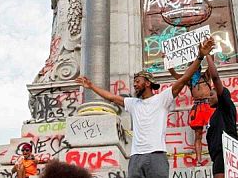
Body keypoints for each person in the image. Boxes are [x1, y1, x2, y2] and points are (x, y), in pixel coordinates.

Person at [76, 38, 215, 178]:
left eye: (137, 81)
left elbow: (184, 78)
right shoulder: (133, 103)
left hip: (156, 156)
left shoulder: (162, 99)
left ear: (147, 83)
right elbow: (111, 97)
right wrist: (92, 86)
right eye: (134, 82)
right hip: (136, 158)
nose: (135, 84)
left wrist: (200, 56)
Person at [167, 64, 213, 166]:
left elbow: (211, 64)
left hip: (209, 106)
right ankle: (199, 159)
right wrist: (169, 64)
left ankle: (215, 155)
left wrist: (210, 52)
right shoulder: (189, 81)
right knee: (198, 134)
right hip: (198, 107)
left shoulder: (205, 76)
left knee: (214, 131)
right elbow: (176, 76)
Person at [204, 47, 238, 178]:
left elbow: (215, 77)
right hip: (218, 157)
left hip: (226, 153)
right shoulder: (216, 115)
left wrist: (207, 55)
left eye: (212, 94)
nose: (208, 97)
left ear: (220, 95)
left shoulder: (226, 107)